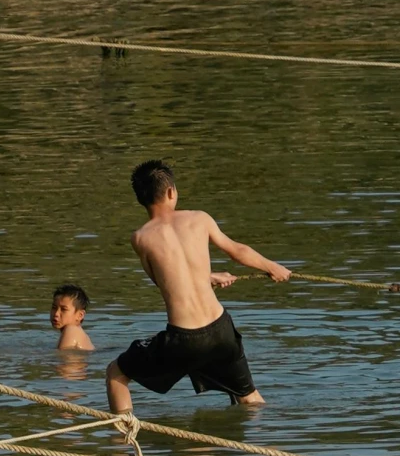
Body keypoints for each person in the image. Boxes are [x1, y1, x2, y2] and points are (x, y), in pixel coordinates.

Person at [106, 159, 290, 413]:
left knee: (116, 373)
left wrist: (206, 277)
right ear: (171, 191)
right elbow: (237, 250)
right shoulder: (199, 219)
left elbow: (163, 282)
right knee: (248, 397)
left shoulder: (141, 238)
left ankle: (122, 440)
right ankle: (265, 445)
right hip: (221, 330)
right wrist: (272, 267)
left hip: (183, 340)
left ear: (140, 199)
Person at [50, 283, 94, 352]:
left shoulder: (71, 330)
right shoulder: (79, 333)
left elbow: (63, 358)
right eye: (54, 308)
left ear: (80, 315)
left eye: (64, 309)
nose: (56, 314)